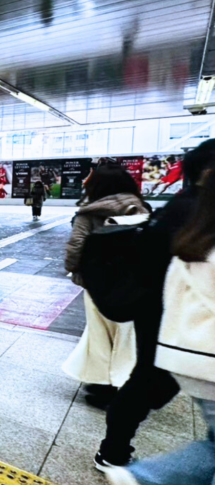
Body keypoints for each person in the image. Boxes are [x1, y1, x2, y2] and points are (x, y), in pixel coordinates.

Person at [105, 156, 215, 485]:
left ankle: (139, 473)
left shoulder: (187, 222)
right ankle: (139, 474)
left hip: (181, 347)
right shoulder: (181, 215)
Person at [94, 139, 215, 470]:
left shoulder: (182, 207)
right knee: (151, 381)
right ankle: (126, 460)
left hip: (164, 313)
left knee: (149, 379)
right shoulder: (190, 212)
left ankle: (123, 456)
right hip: (171, 317)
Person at [63, 164, 150, 408]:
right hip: (135, 282)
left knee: (100, 332)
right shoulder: (139, 207)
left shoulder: (89, 213)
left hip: (97, 282)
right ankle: (126, 381)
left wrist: (72, 268)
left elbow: (76, 246)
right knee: (127, 334)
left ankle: (103, 384)